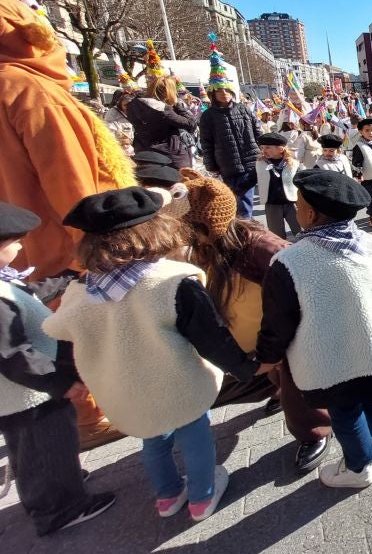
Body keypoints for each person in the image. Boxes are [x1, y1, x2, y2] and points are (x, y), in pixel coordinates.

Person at [45, 188, 263, 521]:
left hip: (125, 392)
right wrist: (244, 368)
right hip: (178, 383)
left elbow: (59, 332)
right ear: (155, 230)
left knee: (153, 439)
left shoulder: (79, 291)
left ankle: (167, 495)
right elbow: (211, 338)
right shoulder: (172, 281)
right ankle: (202, 497)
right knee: (195, 435)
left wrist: (64, 380)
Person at [0, 0, 134, 448]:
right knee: (74, 335)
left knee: (37, 333)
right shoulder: (31, 93)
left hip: (18, 249)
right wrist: (103, 249)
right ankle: (90, 416)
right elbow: (76, 190)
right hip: (59, 247)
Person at [181, 172, 332, 474]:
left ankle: (315, 431)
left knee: (297, 386)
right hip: (252, 343)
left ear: (207, 226)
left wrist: (285, 340)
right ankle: (278, 390)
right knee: (267, 379)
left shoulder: (260, 248)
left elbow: (304, 284)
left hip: (281, 337)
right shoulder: (206, 249)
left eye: (188, 227)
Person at [256, 171, 372, 489]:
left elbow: (278, 321)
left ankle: (359, 468)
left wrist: (267, 356)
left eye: (298, 204)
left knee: (345, 412)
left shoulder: (289, 262)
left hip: (328, 359)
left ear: (310, 214)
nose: (296, 209)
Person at [0, 202, 116, 536]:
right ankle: (59, 508)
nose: (20, 247)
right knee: (46, 445)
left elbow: (27, 294)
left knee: (31, 448)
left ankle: (52, 486)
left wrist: (66, 278)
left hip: (26, 391)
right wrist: (58, 382)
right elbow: (13, 354)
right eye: (13, 242)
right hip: (31, 392)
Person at [199, 76, 262, 220]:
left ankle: (245, 227)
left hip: (250, 162)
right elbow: (206, 143)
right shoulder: (208, 116)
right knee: (234, 200)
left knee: (245, 201)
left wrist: (265, 150)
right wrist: (211, 166)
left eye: (227, 90)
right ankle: (242, 226)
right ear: (213, 94)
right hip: (227, 165)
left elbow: (258, 132)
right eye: (220, 91)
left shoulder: (244, 109)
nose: (224, 93)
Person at [127, 76, 197, 170]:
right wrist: (177, 103)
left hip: (143, 150)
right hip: (168, 154)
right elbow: (190, 122)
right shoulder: (163, 110)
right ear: (168, 92)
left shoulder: (133, 105)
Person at [255, 133, 302, 239]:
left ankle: (305, 248)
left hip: (292, 204)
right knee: (277, 236)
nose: (264, 150)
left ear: (280, 149)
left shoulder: (292, 163)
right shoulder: (260, 163)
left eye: (268, 147)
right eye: (262, 148)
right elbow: (251, 179)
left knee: (301, 231)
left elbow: (301, 181)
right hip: (272, 205)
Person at [104, 90, 135, 156]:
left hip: (132, 149)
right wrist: (120, 140)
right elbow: (109, 131)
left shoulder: (135, 112)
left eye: (131, 105)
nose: (128, 107)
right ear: (120, 104)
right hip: (120, 150)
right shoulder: (112, 113)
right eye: (125, 105)